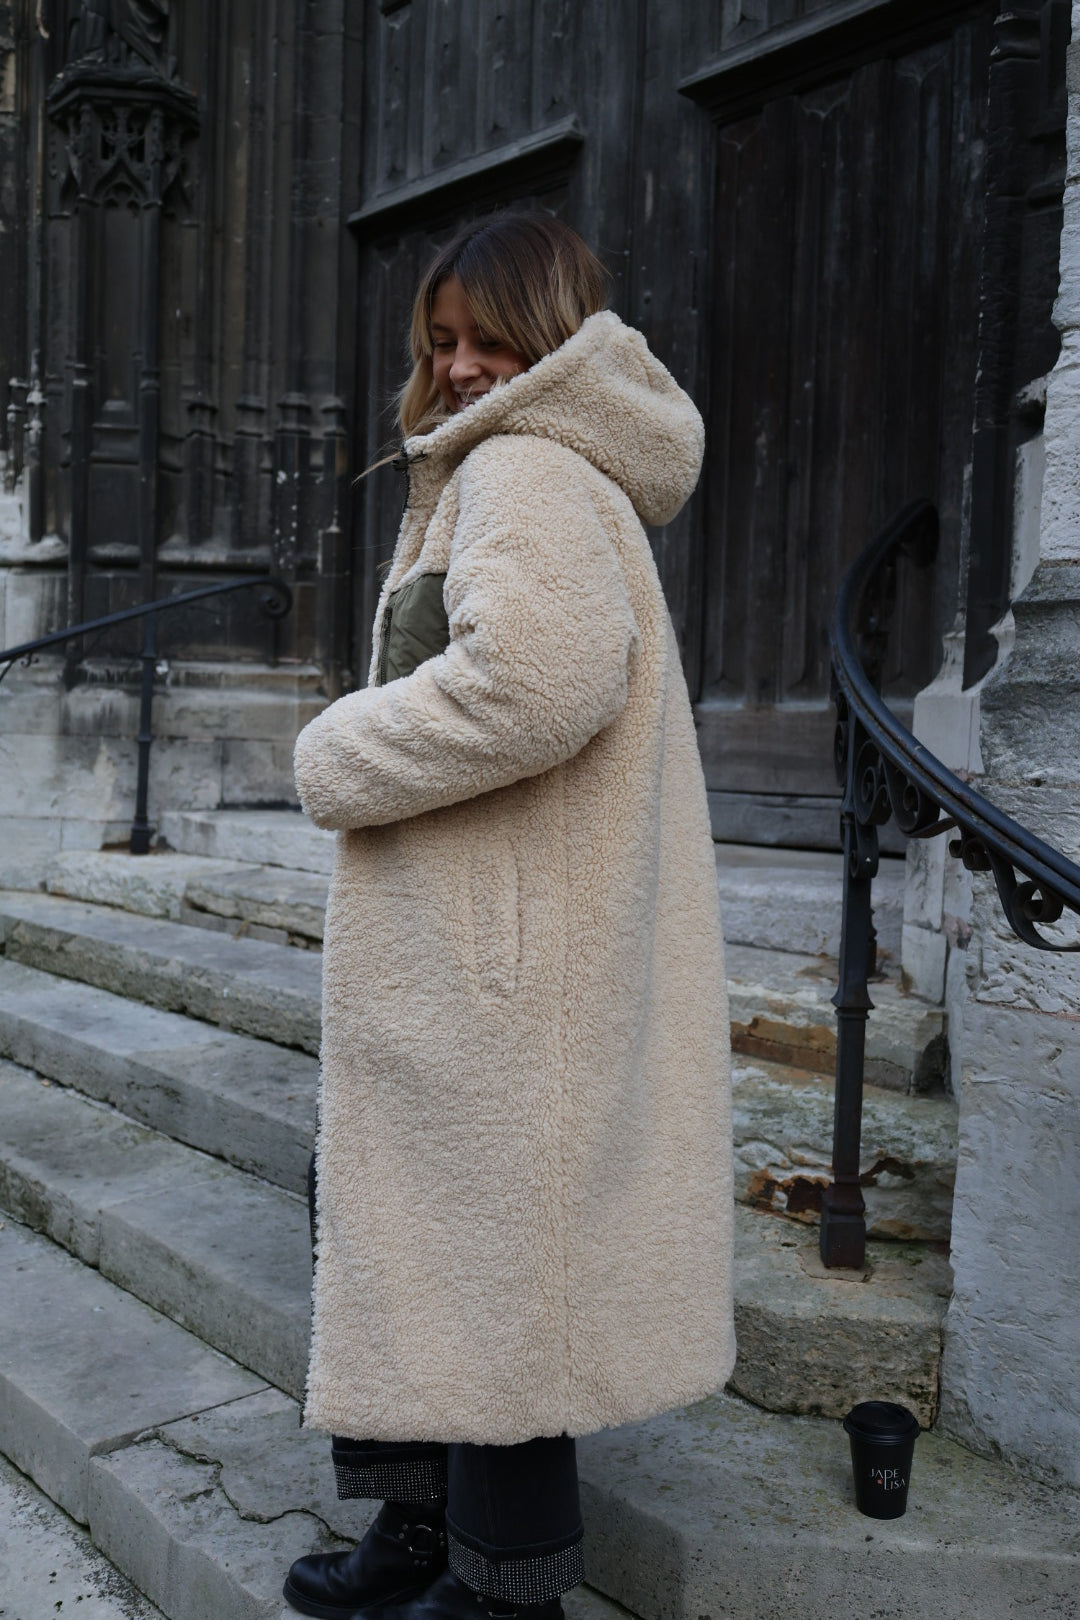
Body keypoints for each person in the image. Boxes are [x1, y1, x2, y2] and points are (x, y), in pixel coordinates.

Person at [284, 211, 734, 1620]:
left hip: (501, 965)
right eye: (442, 342)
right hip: (485, 948)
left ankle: (501, 1589)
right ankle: (419, 1538)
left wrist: (335, 750)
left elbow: (536, 684)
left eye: (491, 338)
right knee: (420, 1242)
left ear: (554, 335)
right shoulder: (519, 461)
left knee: (496, 1274)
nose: (463, 367)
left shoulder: (526, 465)